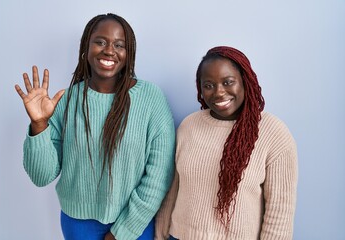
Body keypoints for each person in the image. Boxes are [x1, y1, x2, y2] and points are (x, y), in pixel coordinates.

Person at [15, 13, 175, 240]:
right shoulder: (67, 101)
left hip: (135, 224)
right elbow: (42, 176)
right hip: (78, 225)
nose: (109, 50)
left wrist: (122, 232)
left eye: (119, 45)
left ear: (128, 53)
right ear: (85, 48)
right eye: (100, 42)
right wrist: (39, 124)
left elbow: (160, 174)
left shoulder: (151, 98)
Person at [155, 46, 298, 239]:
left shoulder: (273, 133)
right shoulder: (189, 126)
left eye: (228, 82)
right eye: (208, 85)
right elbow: (172, 190)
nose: (219, 92)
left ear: (245, 82)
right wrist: (160, 236)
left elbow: (279, 211)